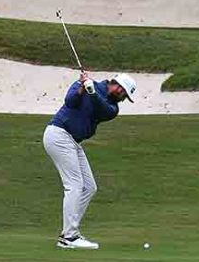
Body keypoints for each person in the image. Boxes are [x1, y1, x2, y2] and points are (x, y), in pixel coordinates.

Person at [43, 71, 138, 251]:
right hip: (58, 134)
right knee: (75, 185)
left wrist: (92, 92)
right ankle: (69, 237)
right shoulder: (85, 84)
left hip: (72, 141)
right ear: (118, 87)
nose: (124, 98)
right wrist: (81, 88)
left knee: (89, 187)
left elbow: (100, 108)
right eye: (124, 94)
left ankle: (69, 233)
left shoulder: (112, 108)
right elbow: (70, 102)